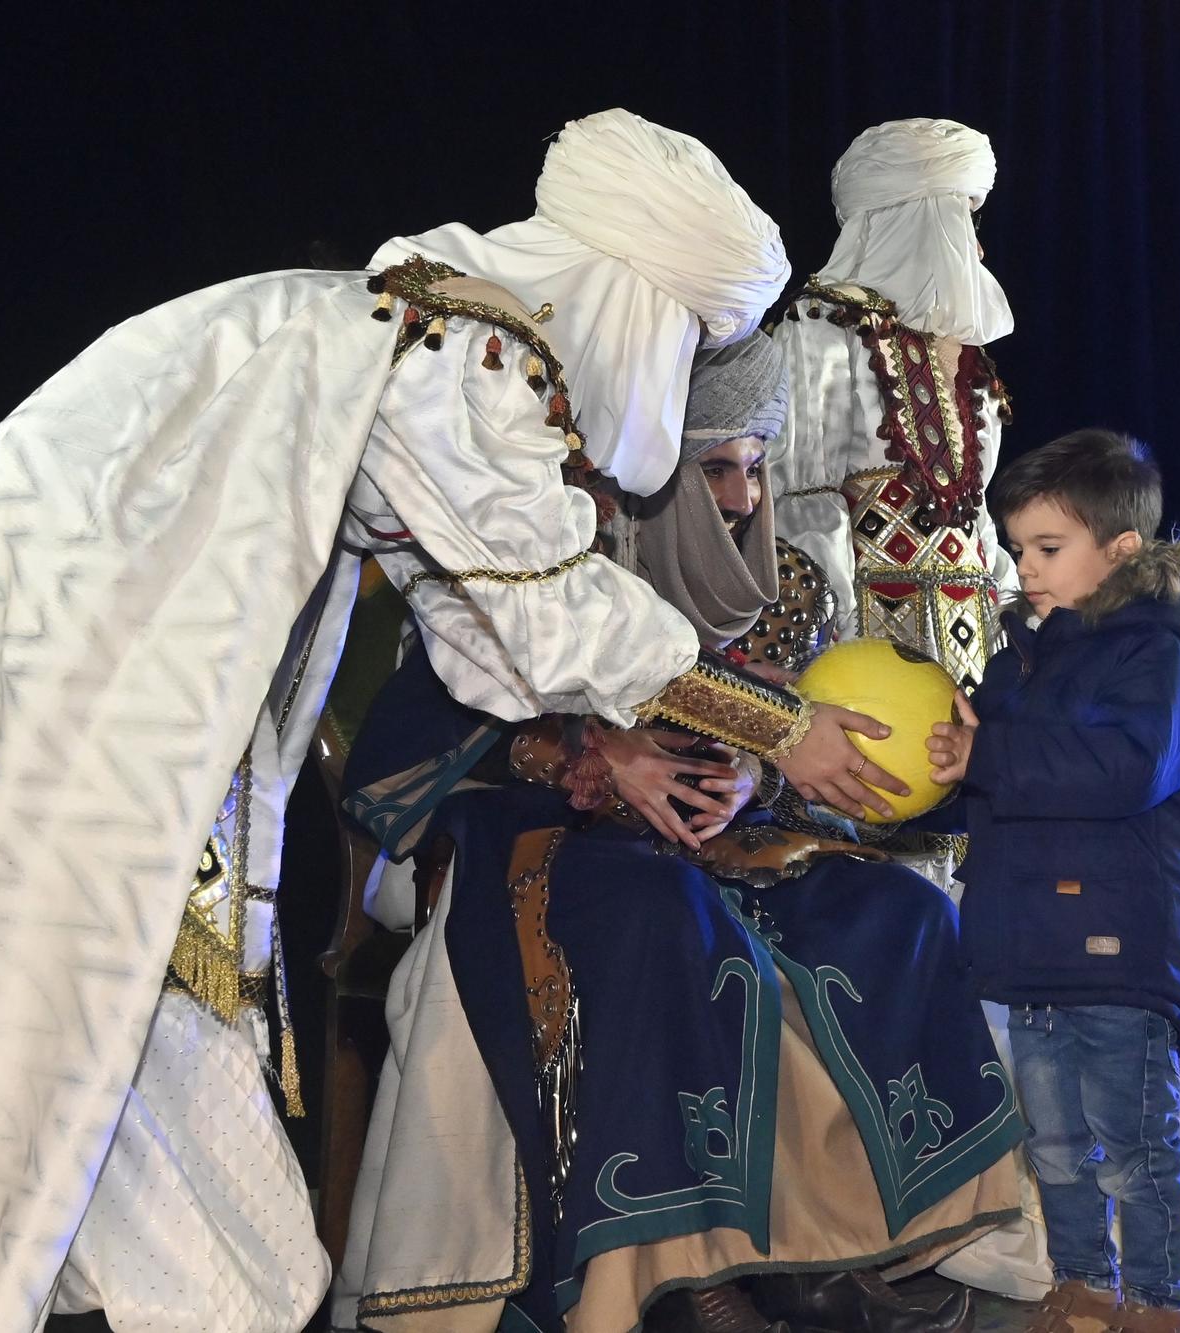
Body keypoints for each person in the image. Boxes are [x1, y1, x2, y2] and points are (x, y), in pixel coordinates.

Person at [0, 109, 908, 1333]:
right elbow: (552, 610)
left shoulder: (407, 324)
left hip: (96, 653)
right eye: (683, 337)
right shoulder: (464, 346)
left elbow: (481, 631)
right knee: (66, 1004)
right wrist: (782, 727)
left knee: (106, 1045)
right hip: (95, 670)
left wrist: (614, 729)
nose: (670, 381)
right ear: (630, 301)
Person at [334, 333, 1021, 1333]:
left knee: (895, 908)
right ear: (656, 476)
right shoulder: (546, 561)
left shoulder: (776, 591)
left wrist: (744, 771)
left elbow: (778, 748)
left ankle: (834, 1250)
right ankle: (683, 1275)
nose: (742, 497)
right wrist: (589, 753)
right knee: (670, 919)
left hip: (712, 845)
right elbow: (421, 733)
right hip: (539, 835)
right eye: (715, 468)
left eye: (754, 467)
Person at [928, 431, 1180, 1333]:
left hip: (1124, 945)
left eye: (1046, 549)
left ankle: (1153, 1305)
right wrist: (937, 771)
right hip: (1032, 944)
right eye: (1018, 547)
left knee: (1133, 1150)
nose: (1023, 567)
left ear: (1121, 549)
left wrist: (992, 750)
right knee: (1055, 1147)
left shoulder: (1168, 644)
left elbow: (1125, 768)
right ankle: (1082, 1289)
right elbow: (995, 784)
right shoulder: (1029, 650)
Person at [766, 117, 1017, 692]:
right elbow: (801, 499)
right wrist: (839, 653)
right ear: (919, 222)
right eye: (962, 219)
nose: (976, 246)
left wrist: (1014, 622)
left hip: (974, 652)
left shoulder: (969, 359)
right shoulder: (822, 329)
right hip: (865, 650)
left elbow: (974, 521)